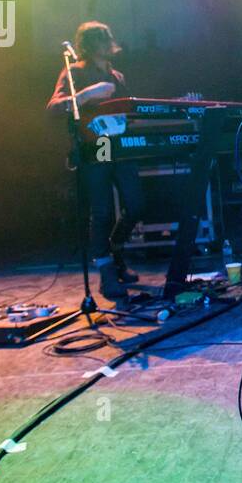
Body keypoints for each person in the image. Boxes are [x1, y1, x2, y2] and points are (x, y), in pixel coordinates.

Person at [47, 22, 144, 300]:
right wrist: (87, 94)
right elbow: (53, 108)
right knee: (101, 212)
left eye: (107, 37)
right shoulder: (74, 72)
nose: (107, 42)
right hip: (94, 149)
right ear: (87, 45)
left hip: (121, 148)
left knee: (136, 205)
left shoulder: (117, 75)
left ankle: (115, 252)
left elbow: (130, 110)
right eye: (100, 38)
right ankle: (106, 274)